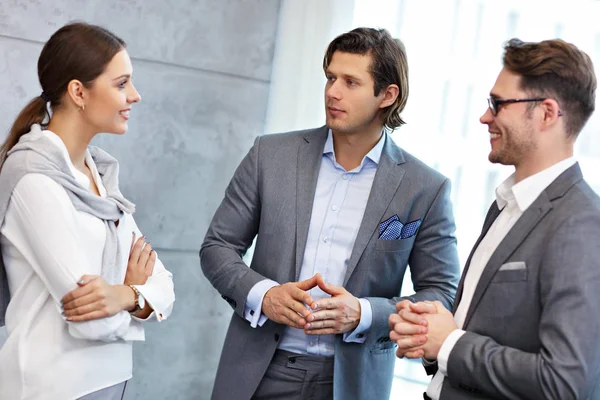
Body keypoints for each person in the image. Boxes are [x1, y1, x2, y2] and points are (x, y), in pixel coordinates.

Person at [201, 27, 460, 400]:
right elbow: (217, 246)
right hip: (257, 371)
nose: (332, 92)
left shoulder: (425, 188)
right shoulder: (269, 156)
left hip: (352, 383)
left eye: (351, 82)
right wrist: (264, 295)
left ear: (388, 95)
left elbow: (441, 294)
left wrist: (364, 313)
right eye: (331, 77)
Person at [389, 38, 600, 399]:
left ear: (547, 113)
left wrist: (450, 343)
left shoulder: (582, 225)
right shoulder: (505, 204)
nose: (486, 116)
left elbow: (565, 383)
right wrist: (430, 333)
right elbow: (482, 331)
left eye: (499, 104)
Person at [0, 22, 175, 400]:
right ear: (78, 92)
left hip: (108, 380)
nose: (135, 96)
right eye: (121, 83)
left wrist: (125, 296)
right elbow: (90, 322)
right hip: (51, 386)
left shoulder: (100, 178)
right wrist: (138, 296)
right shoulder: (34, 179)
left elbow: (165, 285)